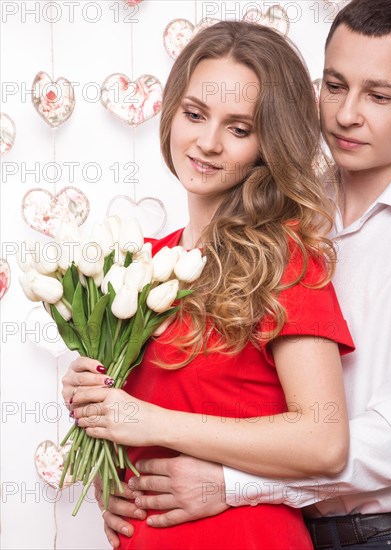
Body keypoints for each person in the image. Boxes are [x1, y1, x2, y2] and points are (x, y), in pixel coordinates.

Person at [70, 1, 391, 548]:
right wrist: (113, 454)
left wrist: (232, 484)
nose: (347, 114)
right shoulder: (280, 218)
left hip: (383, 535)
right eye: (333, 86)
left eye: (378, 96)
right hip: (263, 522)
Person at [63, 20, 356, 550]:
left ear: (270, 145)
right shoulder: (142, 262)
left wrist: (150, 421)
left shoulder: (285, 260)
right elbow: (136, 420)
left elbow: (324, 439)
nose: (208, 142)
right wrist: (94, 406)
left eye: (239, 129)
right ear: (172, 110)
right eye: (195, 114)